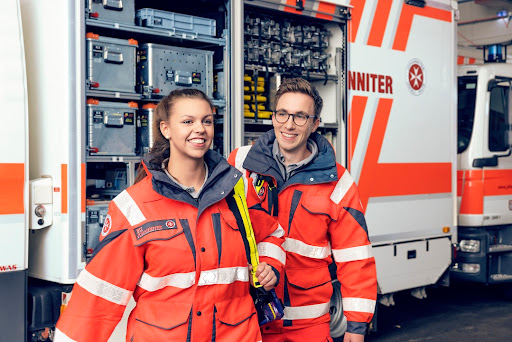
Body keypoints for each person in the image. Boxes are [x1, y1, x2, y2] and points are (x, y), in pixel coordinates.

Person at [55, 89, 286, 342]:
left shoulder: (235, 190)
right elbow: (97, 301)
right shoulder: (135, 205)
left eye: (206, 121)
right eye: (188, 121)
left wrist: (270, 266)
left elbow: (271, 234)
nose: (200, 128)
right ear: (165, 129)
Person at [228, 78, 377, 342]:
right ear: (273, 117)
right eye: (283, 114)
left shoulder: (337, 182)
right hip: (249, 317)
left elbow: (355, 257)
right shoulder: (240, 163)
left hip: (307, 324)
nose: (289, 124)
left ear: (314, 124)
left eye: (300, 116)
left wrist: (356, 327)